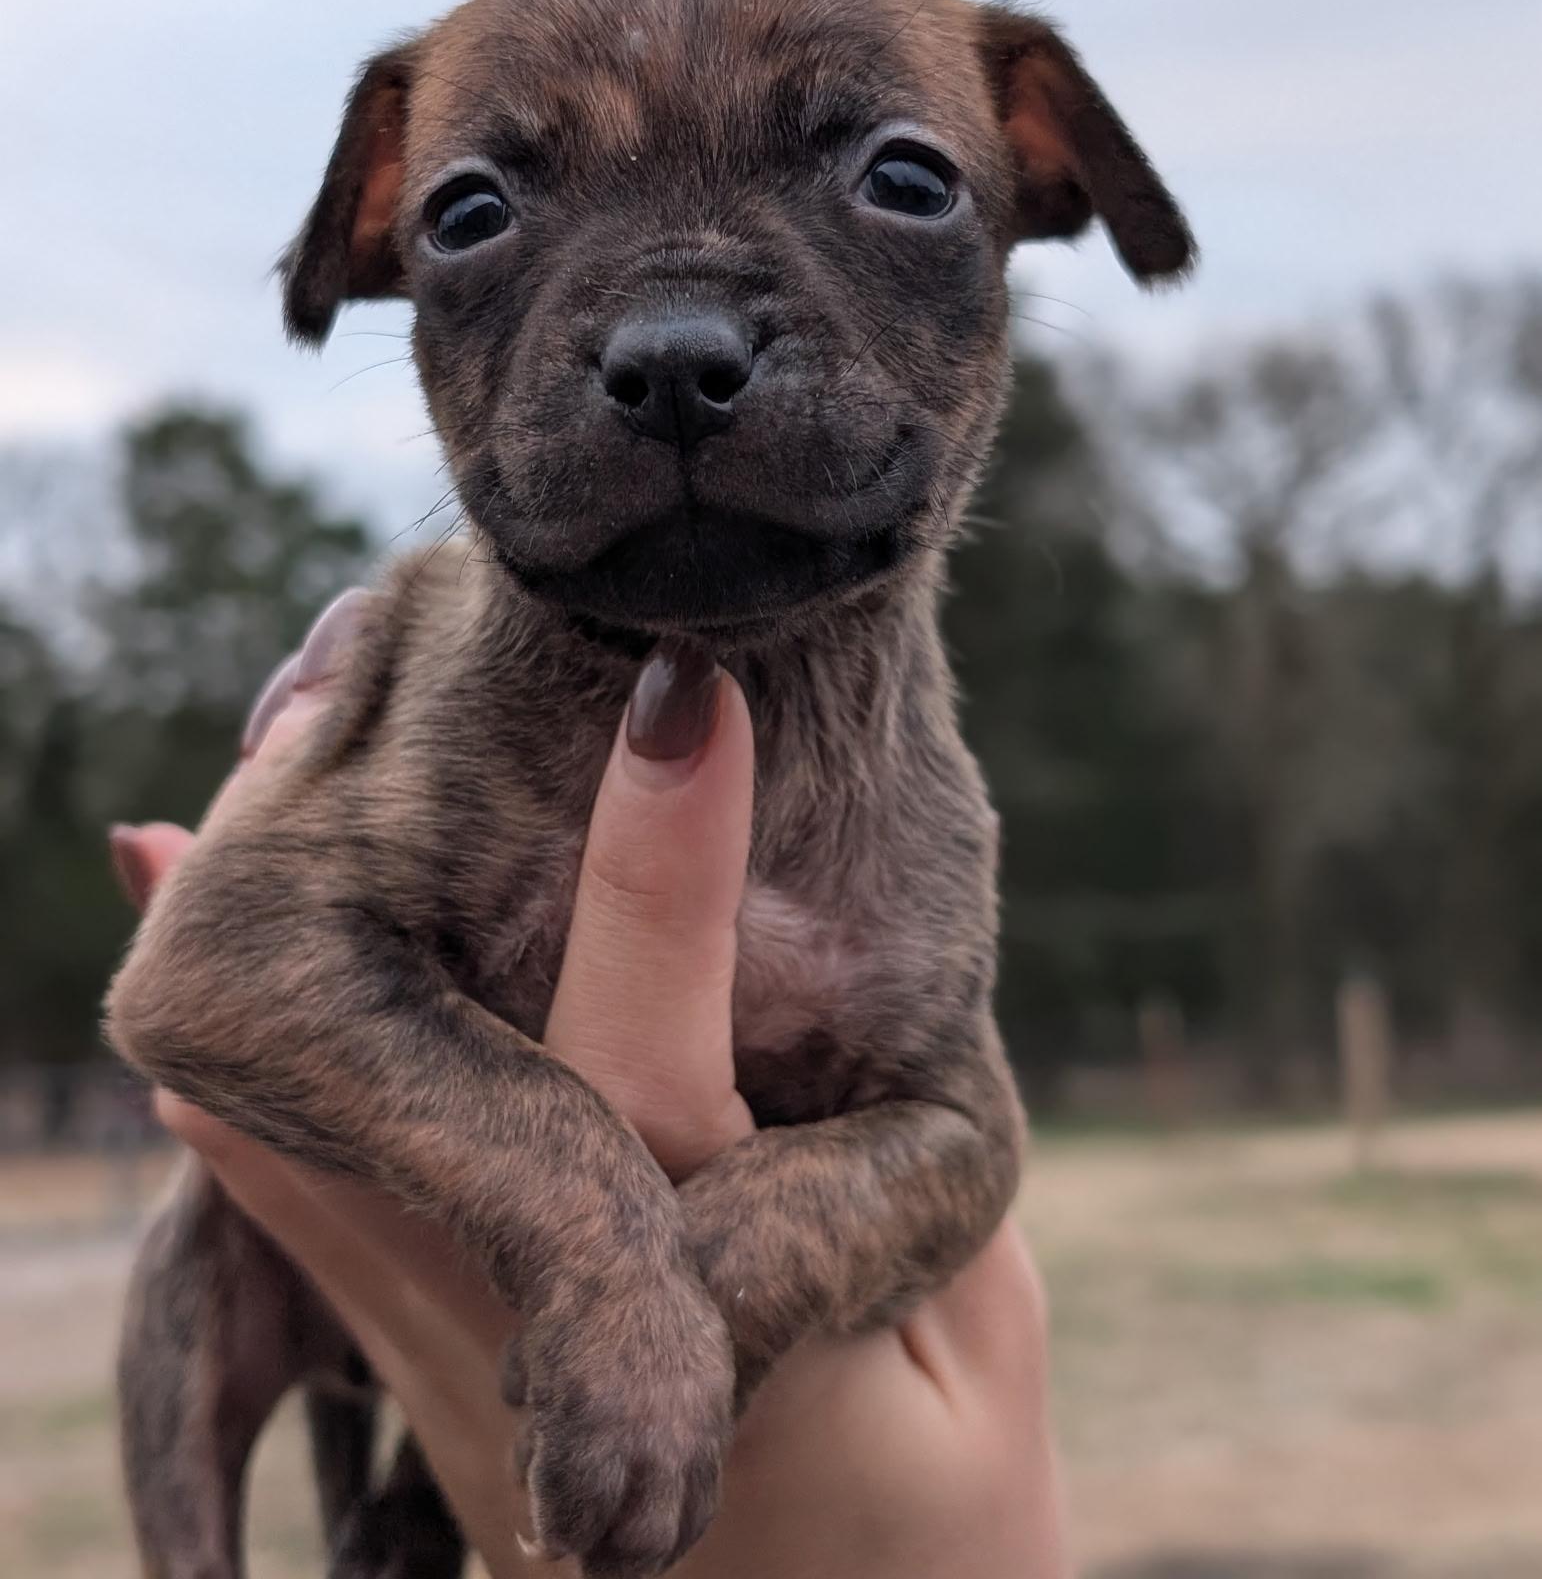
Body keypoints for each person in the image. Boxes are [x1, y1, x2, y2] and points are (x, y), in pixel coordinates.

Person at [111, 596, 1071, 1578]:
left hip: (806, 1439)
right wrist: (600, 1248)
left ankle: (412, 1504)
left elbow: (966, 1133)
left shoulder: (910, 807)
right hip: (296, 1234)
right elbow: (203, 984)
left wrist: (715, 1280)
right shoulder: (447, 665)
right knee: (201, 1259)